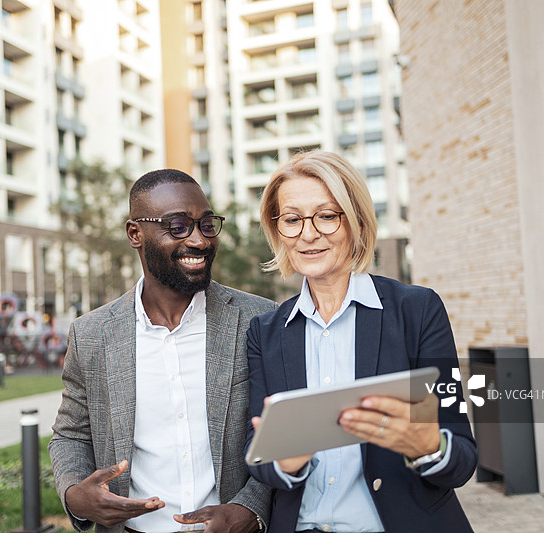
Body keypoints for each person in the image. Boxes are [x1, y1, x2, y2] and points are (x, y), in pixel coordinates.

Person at [245, 151, 477, 533]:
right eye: (292, 219)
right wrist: (285, 462)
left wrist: (428, 446)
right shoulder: (265, 332)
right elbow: (258, 453)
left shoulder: (417, 311)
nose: (308, 234)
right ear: (278, 229)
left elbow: (463, 458)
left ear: (355, 221)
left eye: (326, 216)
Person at [49, 169, 277, 533]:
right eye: (178, 226)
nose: (199, 240)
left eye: (206, 225)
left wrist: (250, 509)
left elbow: (282, 432)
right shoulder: (91, 334)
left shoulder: (260, 319)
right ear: (135, 234)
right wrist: (76, 495)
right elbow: (71, 434)